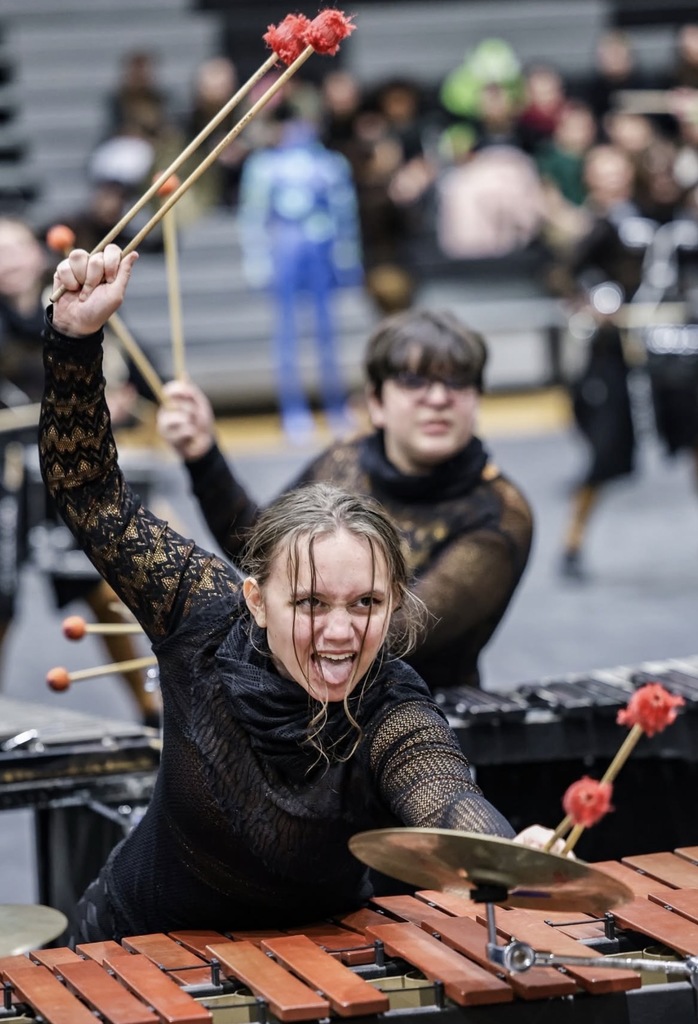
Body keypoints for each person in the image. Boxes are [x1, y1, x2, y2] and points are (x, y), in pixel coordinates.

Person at [39, 243, 563, 942]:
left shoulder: (392, 703)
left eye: (366, 605)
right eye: (312, 603)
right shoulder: (202, 611)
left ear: (394, 604)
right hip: (140, 939)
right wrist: (74, 344)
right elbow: (92, 495)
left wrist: (501, 855)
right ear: (257, 600)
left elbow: (445, 793)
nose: (341, 632)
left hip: (317, 965)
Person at [157, 309, 534, 692]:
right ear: (376, 402)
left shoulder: (500, 513)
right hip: (309, 698)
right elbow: (260, 550)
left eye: (457, 382)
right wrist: (202, 455)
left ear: (476, 399)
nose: (438, 398)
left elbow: (399, 634)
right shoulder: (346, 458)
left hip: (418, 714)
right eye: (413, 381)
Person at [0, 215, 160, 725]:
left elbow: (141, 374)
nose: (7, 261)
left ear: (37, 250)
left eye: (15, 248)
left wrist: (138, 400)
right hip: (5, 482)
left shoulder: (75, 303)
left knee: (103, 589)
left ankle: (151, 710)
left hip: (69, 473)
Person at [237, 101, 362, 443]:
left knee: (327, 334)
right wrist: (258, 260)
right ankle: (293, 411)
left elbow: (344, 213)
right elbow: (253, 217)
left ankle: (335, 407)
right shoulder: (264, 166)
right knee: (287, 334)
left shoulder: (330, 164)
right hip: (286, 245)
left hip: (320, 246)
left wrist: (347, 257)